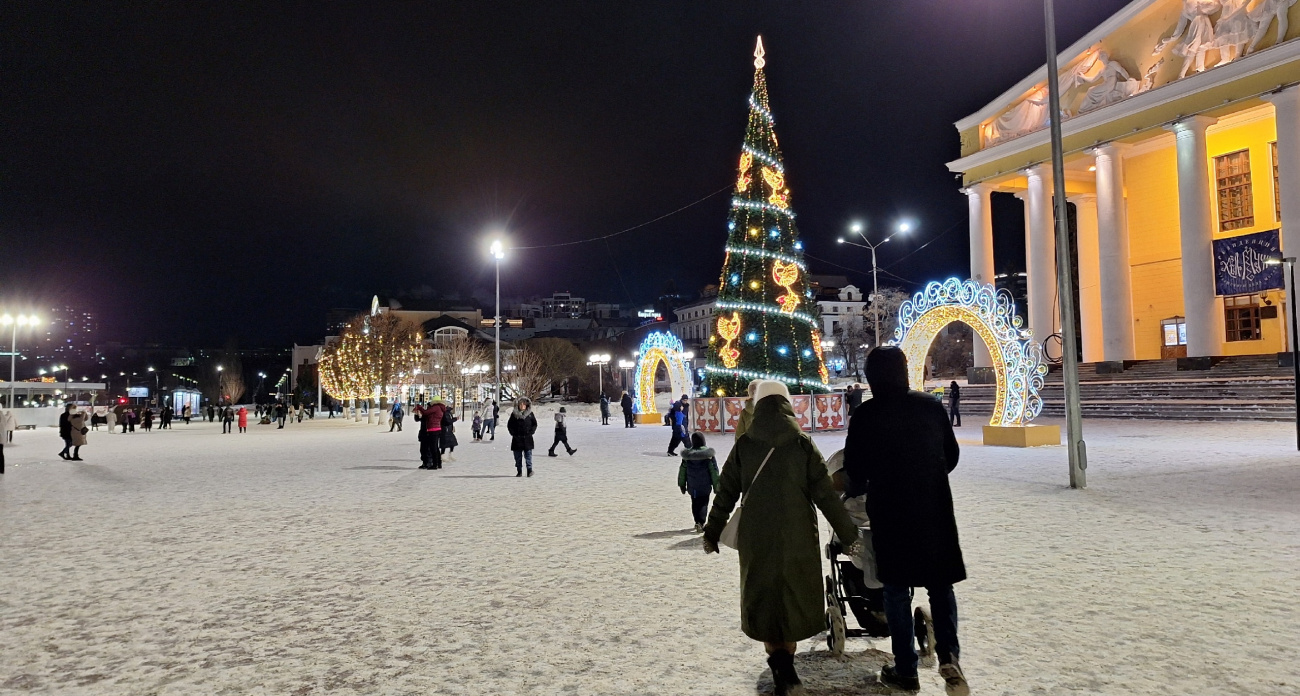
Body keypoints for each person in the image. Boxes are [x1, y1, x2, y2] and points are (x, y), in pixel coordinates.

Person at [702, 381, 861, 696]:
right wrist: (848, 533)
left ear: (758, 406)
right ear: (787, 404)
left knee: (765, 596)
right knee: (792, 596)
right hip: (797, 535)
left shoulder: (745, 445)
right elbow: (826, 496)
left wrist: (713, 529)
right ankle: (785, 664)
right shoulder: (801, 444)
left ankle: (779, 664)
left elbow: (725, 493)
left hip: (756, 536)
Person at [842, 346, 968, 695]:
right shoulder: (930, 407)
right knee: (940, 585)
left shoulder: (866, 416)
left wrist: (863, 484)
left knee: (896, 591)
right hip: (933, 508)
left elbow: (854, 470)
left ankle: (905, 668)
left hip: (891, 512)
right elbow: (951, 455)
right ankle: (949, 656)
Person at [678, 432, 719, 533]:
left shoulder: (687, 457)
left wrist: (682, 484)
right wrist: (716, 486)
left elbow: (682, 471)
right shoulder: (708, 456)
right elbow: (714, 471)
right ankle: (701, 522)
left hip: (693, 486)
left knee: (695, 503)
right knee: (703, 504)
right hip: (705, 486)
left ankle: (697, 520)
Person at [507, 397, 538, 477]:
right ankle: (519, 471)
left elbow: (534, 424)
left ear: (527, 405)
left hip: (527, 438)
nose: (522, 406)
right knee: (517, 456)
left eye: (524, 404)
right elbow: (510, 425)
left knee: (528, 455)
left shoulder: (530, 414)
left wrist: (531, 431)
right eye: (520, 404)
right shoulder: (514, 415)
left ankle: (529, 470)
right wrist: (513, 433)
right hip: (517, 439)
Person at [414, 399, 446, 470]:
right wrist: (417, 413)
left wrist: (420, 409)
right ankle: (431, 463)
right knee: (427, 449)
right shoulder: (430, 414)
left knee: (431, 448)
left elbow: (425, 415)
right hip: (426, 432)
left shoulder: (432, 414)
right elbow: (418, 419)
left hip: (431, 431)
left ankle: (433, 463)